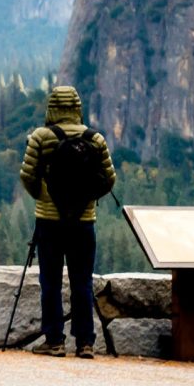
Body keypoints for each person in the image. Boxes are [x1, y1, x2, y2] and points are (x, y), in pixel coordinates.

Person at [17, 84, 116, 358]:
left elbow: (27, 175)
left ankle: (55, 340)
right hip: (84, 223)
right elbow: (109, 179)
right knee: (82, 282)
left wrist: (44, 197)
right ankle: (85, 342)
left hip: (49, 222)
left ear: (52, 107)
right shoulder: (95, 139)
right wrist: (87, 199)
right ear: (77, 107)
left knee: (50, 282)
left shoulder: (40, 136)